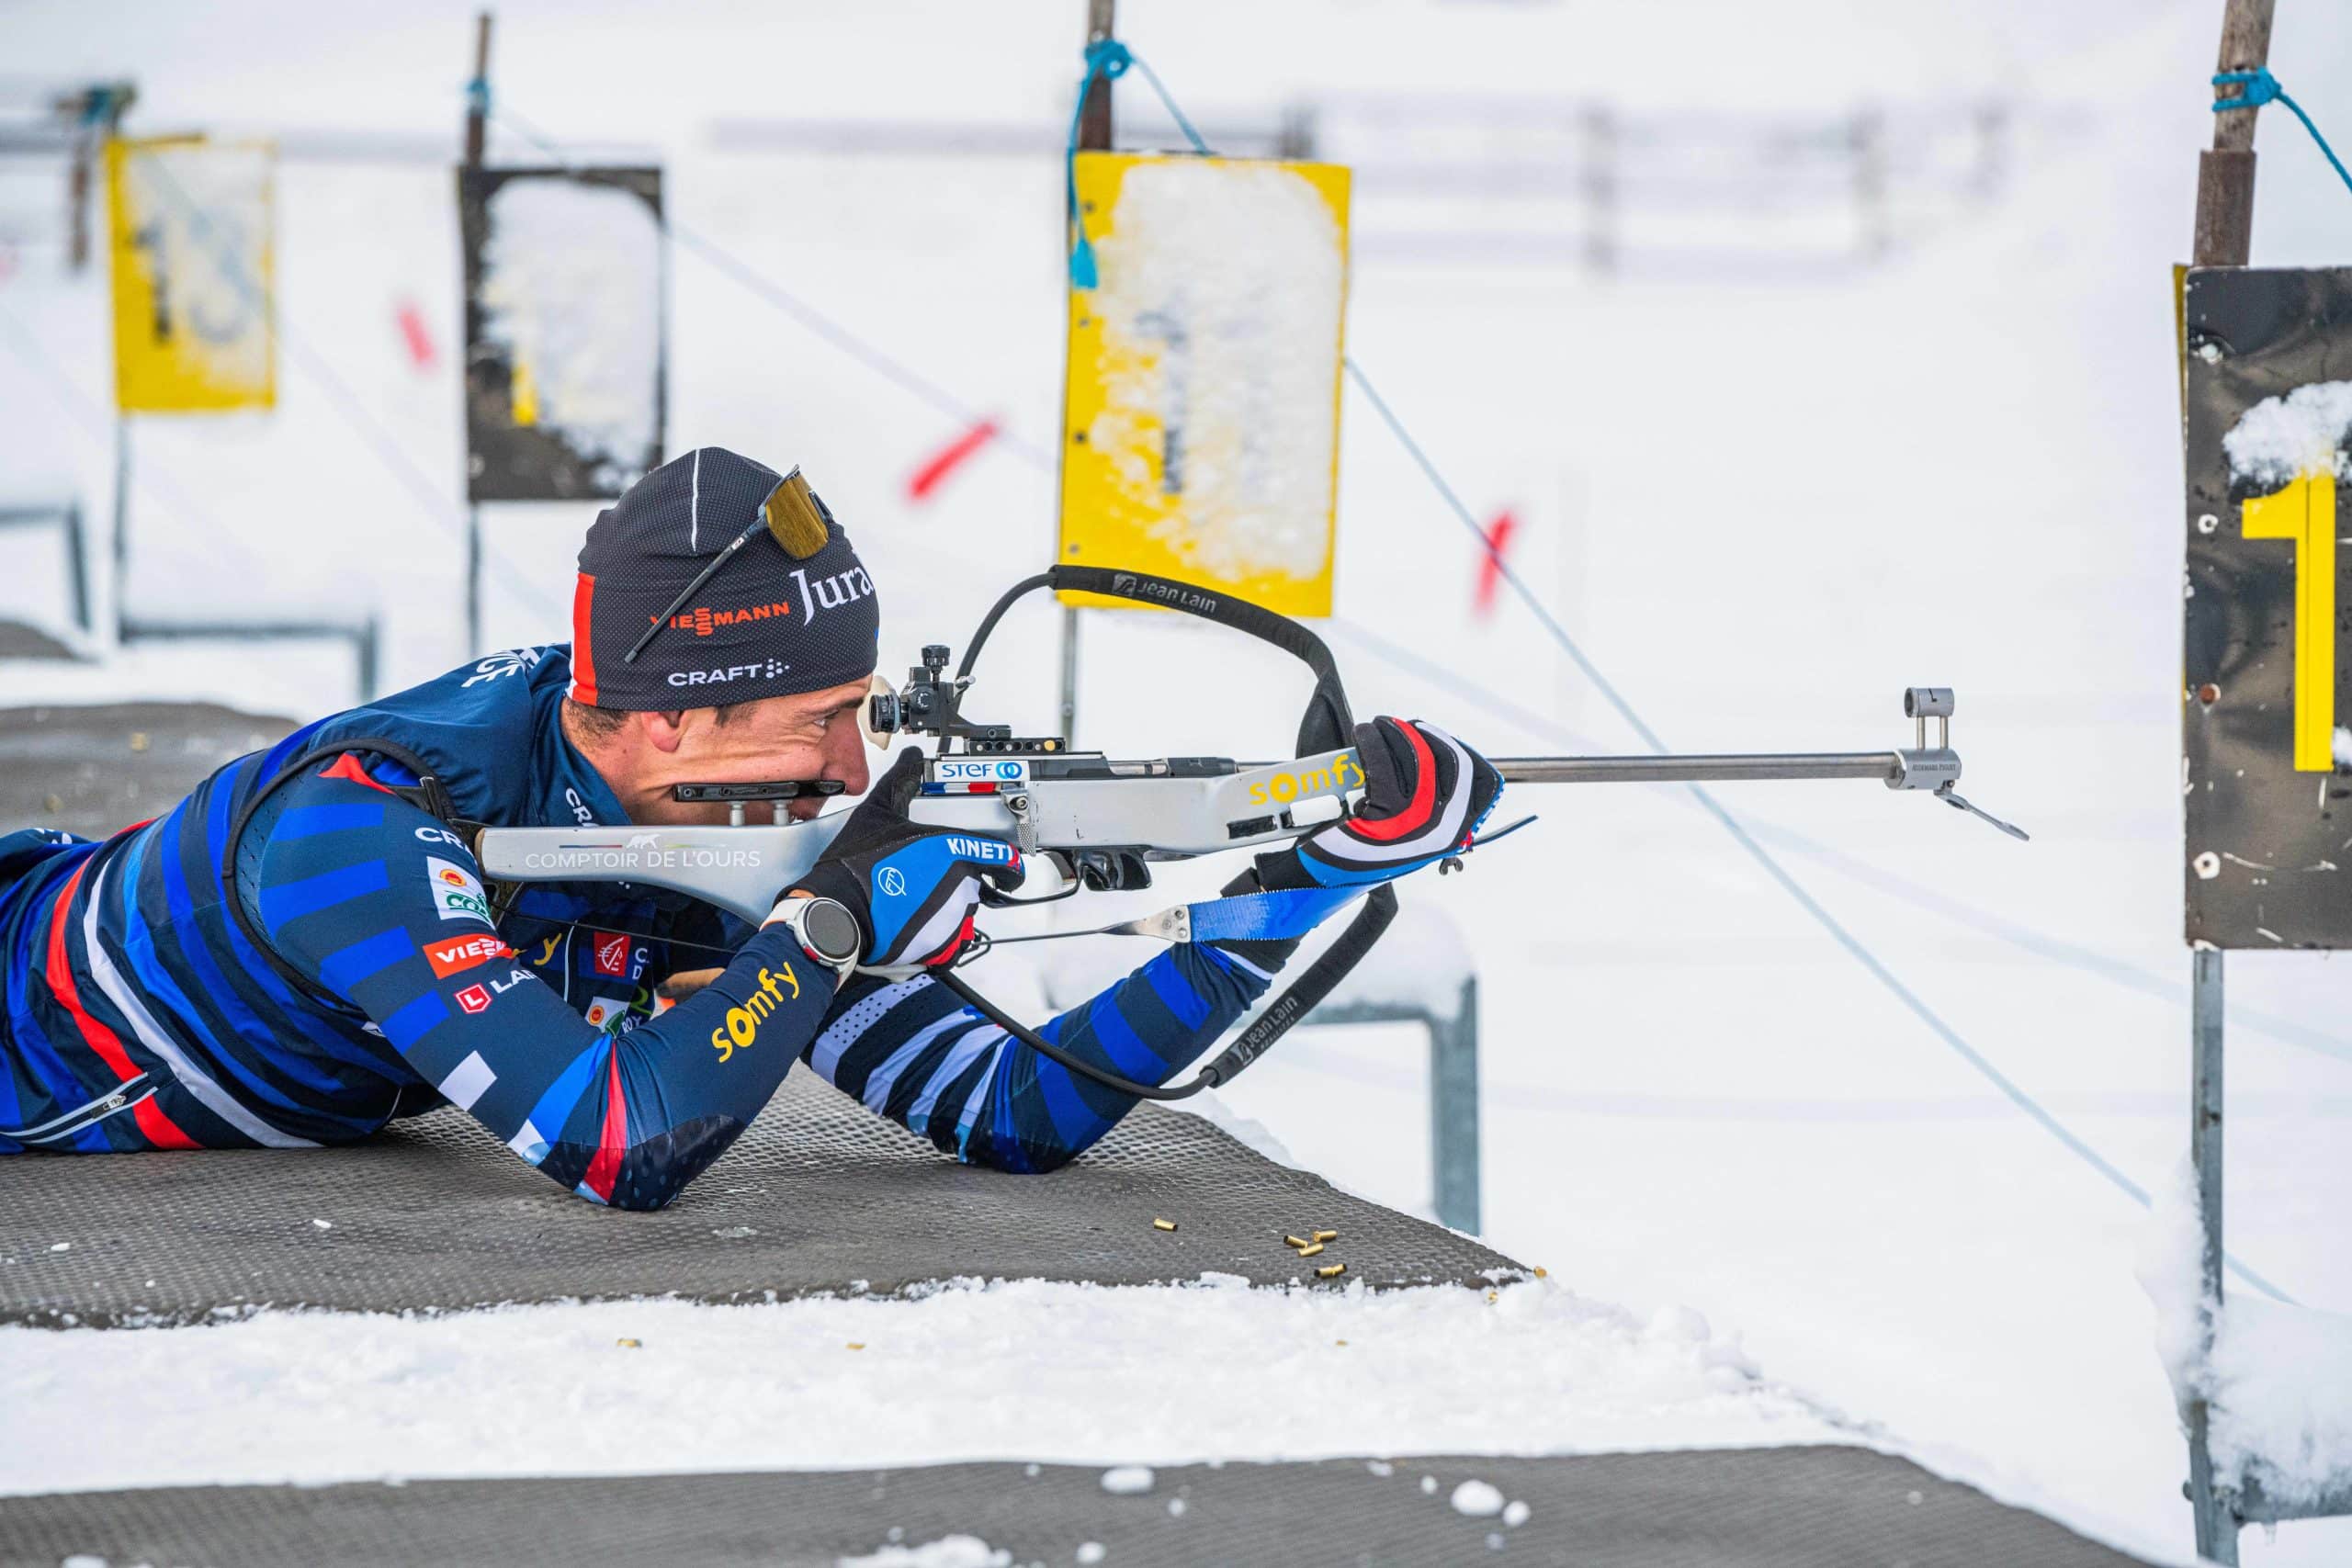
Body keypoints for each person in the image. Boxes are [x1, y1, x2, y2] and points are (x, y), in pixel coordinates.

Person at [0, 447, 1501, 1209]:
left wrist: (1308, 872)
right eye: (815, 722)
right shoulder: (357, 833)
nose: (853, 767)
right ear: (670, 722)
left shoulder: (697, 824)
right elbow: (616, 1144)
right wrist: (831, 927)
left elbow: (1016, 1111)